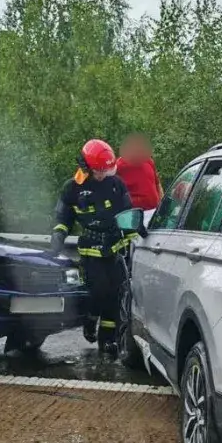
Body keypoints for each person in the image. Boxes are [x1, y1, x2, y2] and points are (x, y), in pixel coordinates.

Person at [49, 139, 139, 356]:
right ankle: (90, 319)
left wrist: (134, 236)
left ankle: (107, 341)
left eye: (105, 169)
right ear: (86, 166)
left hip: (114, 248)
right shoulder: (72, 188)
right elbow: (63, 218)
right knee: (98, 292)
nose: (102, 174)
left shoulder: (115, 184)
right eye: (98, 170)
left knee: (115, 295)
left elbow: (127, 214)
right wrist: (58, 236)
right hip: (90, 251)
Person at [116, 133, 162, 225]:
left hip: (155, 212)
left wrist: (161, 204)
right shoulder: (119, 166)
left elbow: (157, 184)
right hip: (135, 215)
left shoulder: (148, 161)